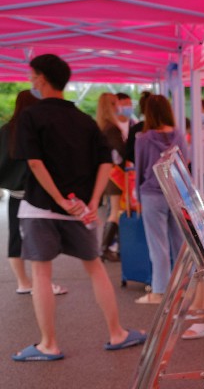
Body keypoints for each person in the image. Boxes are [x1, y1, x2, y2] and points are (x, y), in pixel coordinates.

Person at [12, 54, 145, 361]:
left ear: (42, 78)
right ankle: (117, 333)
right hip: (82, 208)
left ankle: (49, 344)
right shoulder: (84, 119)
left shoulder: (31, 117)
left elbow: (34, 162)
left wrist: (60, 200)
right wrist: (90, 202)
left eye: (32, 76)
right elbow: (104, 163)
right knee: (95, 268)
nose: (31, 81)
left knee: (41, 274)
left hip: (39, 208)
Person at [1, 90, 67, 297]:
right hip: (36, 195)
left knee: (15, 239)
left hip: (15, 193)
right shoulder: (36, 130)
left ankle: (24, 283)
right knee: (40, 239)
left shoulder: (5, 130)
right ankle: (43, 284)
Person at [133, 94, 189, 305]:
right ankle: (183, 288)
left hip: (152, 193)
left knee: (158, 245)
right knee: (180, 244)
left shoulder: (143, 138)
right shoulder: (179, 136)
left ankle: (159, 291)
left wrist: (137, 197)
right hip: (176, 193)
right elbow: (186, 163)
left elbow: (140, 169)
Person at [96, 92, 129, 262]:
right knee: (115, 211)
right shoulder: (112, 128)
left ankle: (106, 247)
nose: (119, 106)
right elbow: (120, 151)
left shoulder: (102, 126)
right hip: (115, 173)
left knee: (113, 210)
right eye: (115, 103)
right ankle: (104, 247)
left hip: (108, 174)